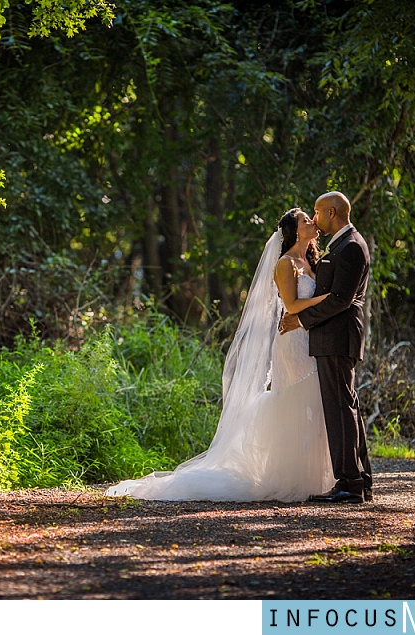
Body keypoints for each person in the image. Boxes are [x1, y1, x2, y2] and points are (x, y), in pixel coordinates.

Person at [104, 209, 335, 501]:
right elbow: (290, 304)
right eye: (305, 220)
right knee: (296, 400)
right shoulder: (285, 264)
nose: (312, 222)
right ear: (293, 230)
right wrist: (331, 298)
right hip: (292, 342)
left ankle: (315, 477)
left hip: (312, 338)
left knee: (314, 402)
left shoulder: (315, 261)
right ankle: (290, 478)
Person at [279, 191, 372, 504]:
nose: (315, 220)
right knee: (346, 405)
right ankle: (361, 480)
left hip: (337, 337)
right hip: (334, 337)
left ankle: (349, 484)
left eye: (317, 213)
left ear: (331, 212)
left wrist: (300, 320)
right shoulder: (343, 245)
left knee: (339, 408)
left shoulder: (351, 247)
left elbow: (340, 300)